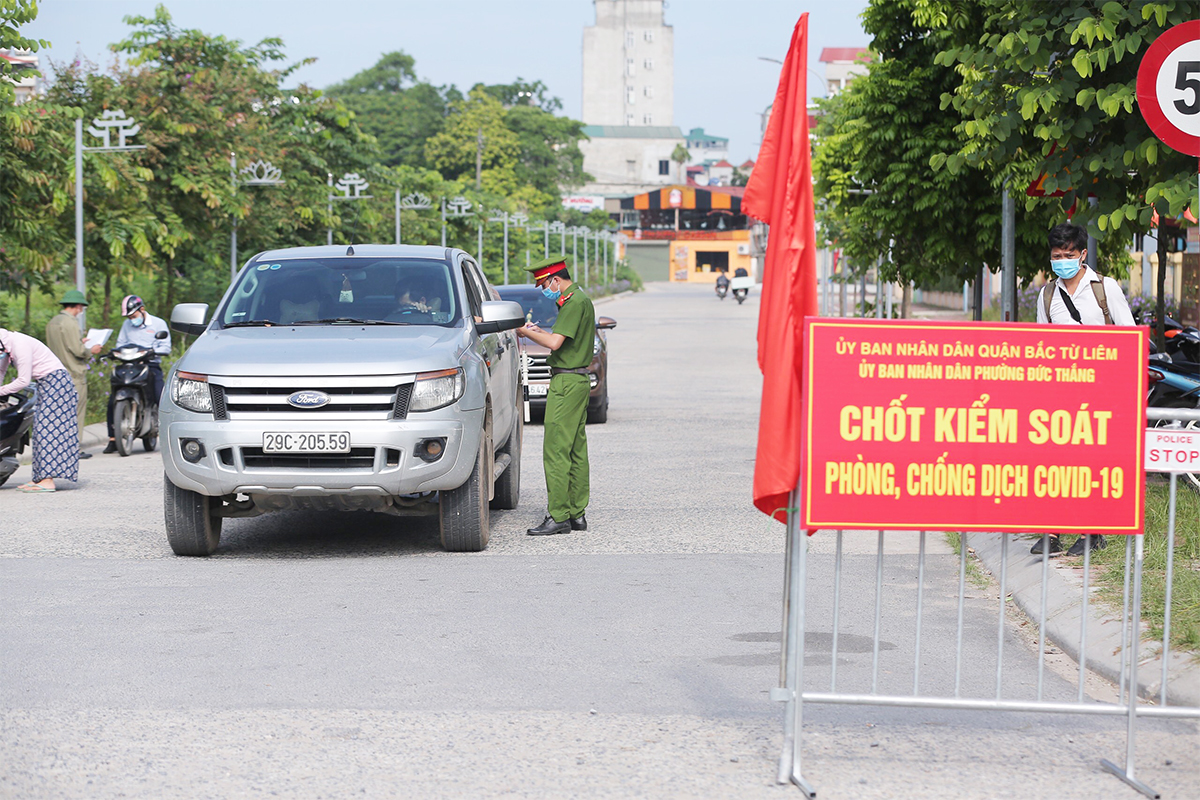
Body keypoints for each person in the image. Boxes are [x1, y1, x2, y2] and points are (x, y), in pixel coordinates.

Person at [1031, 222, 1135, 556]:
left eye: (1068, 255)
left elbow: (1129, 340)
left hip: (1103, 392)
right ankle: (1050, 532)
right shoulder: (1048, 296)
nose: (1062, 261)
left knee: (1094, 464)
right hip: (1061, 394)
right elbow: (1042, 347)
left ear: (1083, 254)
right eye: (1056, 256)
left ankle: (1093, 532)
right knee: (1055, 463)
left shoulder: (1106, 289)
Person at [517, 256, 596, 536]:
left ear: (555, 279)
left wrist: (524, 331)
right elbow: (560, 337)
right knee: (575, 449)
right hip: (578, 380)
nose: (542, 290)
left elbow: (554, 343)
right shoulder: (579, 300)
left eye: (543, 284)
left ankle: (559, 515)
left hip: (566, 383)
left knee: (555, 450)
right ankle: (576, 514)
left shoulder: (573, 302)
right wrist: (541, 331)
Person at [0, 328, 80, 492]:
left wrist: (1, 391)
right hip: (46, 384)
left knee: (47, 431)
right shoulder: (7, 346)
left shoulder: (19, 344)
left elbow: (23, 380)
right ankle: (39, 478)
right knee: (39, 431)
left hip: (57, 383)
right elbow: (1, 370)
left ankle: (47, 481)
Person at [103, 295, 171, 454]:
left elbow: (166, 347)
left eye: (133, 316)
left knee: (160, 397)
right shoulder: (127, 325)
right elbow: (120, 344)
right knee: (112, 400)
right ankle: (113, 438)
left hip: (151, 365)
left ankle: (168, 438)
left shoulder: (158, 323)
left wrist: (153, 352)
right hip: (130, 364)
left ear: (142, 310)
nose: (131, 320)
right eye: (128, 317)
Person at [45, 289, 102, 459]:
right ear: (77, 306)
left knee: (59, 415)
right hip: (74, 374)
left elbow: (63, 345)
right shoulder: (70, 323)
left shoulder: (53, 322)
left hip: (56, 374)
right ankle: (73, 449)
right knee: (76, 413)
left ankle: (59, 448)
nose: (81, 311)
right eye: (81, 308)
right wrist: (91, 350)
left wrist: (80, 342)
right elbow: (78, 351)